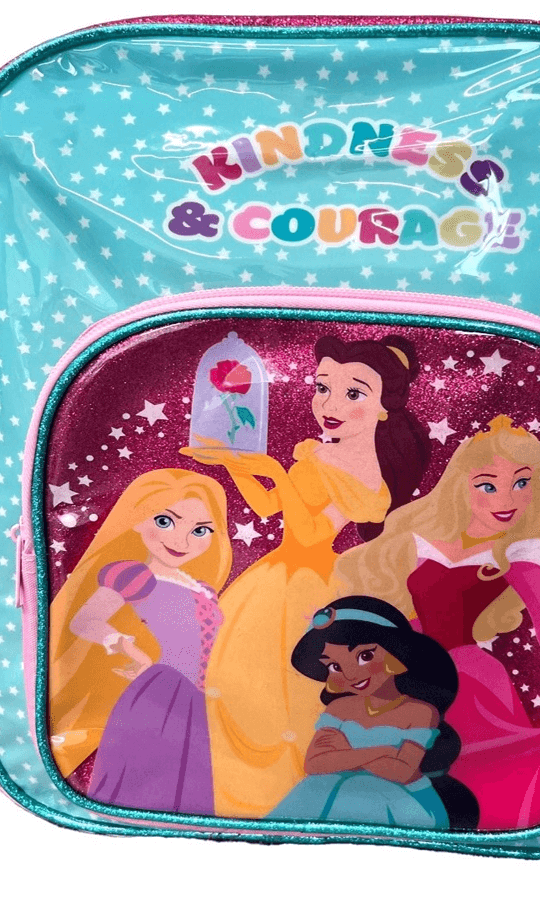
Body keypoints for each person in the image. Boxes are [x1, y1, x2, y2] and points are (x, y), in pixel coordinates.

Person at [181, 333, 430, 818]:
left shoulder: (368, 475)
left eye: (353, 393)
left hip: (310, 587)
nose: (330, 404)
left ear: (384, 407)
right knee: (234, 680)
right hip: (272, 576)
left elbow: (315, 533)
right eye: (322, 387)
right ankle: (234, 790)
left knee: (292, 692)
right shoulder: (317, 453)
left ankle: (294, 794)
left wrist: (275, 469)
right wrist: (235, 465)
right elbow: (267, 507)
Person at [335, 415, 540, 829]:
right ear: (461, 485)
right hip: (405, 667)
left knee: (475, 766)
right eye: (488, 485)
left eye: (522, 482)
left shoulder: (516, 553)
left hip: (468, 678)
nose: (507, 499)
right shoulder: (423, 539)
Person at [48, 469, 231, 814]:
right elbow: (84, 621)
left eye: (200, 530)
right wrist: (127, 646)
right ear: (136, 519)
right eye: (164, 521)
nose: (181, 541)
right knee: (149, 778)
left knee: (189, 784)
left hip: (199, 698)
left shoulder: (202, 587)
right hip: (160, 692)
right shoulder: (136, 575)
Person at [269, 596, 478, 830]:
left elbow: (402, 772)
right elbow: (315, 764)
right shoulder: (339, 708)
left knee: (356, 788)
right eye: (335, 666)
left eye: (364, 656)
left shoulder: (419, 712)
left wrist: (345, 754)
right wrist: (384, 752)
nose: (350, 675)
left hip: (406, 803)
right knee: (319, 787)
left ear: (396, 652)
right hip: (337, 793)